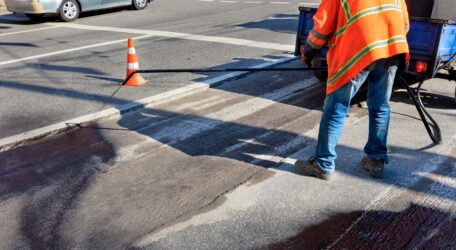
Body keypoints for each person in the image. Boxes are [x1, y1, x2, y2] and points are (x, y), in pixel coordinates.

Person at [295, 0, 410, 180]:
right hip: (392, 49)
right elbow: (405, 24)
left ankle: (323, 164)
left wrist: (308, 52)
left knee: (336, 107)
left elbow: (322, 29)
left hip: (360, 50)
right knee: (380, 106)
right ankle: (376, 161)